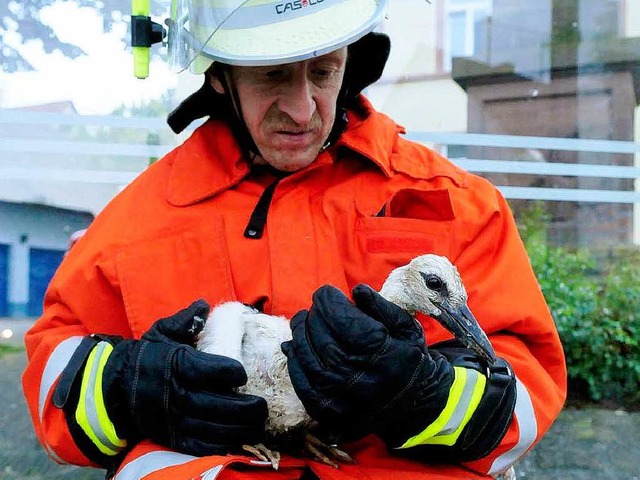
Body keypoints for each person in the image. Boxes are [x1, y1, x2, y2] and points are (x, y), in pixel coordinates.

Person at [22, 0, 567, 479]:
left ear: (353, 62)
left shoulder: (456, 201)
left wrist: (424, 396)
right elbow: (52, 379)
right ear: (220, 77)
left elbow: (527, 389)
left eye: (323, 72)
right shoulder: (135, 222)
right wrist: (124, 388)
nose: (302, 109)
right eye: (272, 75)